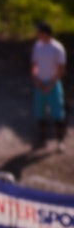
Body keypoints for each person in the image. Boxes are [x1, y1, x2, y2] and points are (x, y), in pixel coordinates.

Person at [32, 20, 67, 151]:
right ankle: (42, 139)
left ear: (45, 33)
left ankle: (60, 141)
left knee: (58, 113)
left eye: (39, 31)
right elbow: (34, 64)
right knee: (40, 113)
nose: (37, 34)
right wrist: (35, 77)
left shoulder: (57, 48)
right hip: (39, 83)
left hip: (53, 83)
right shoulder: (37, 46)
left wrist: (51, 83)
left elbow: (61, 68)